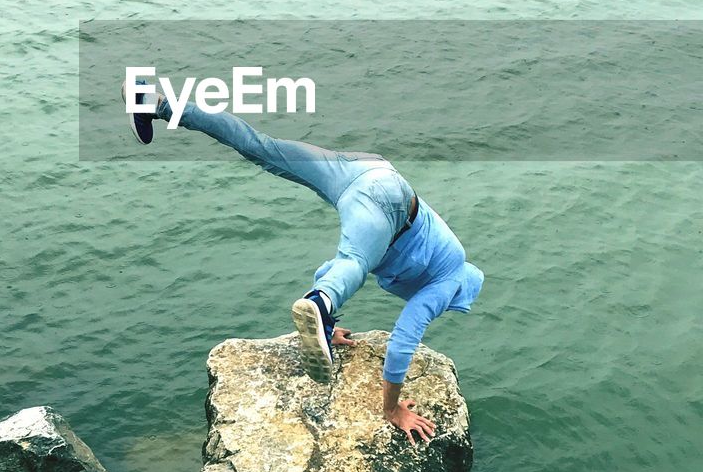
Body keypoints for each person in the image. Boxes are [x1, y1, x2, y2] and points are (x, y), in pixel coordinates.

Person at [122, 83, 484, 444]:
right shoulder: (447, 281)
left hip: (365, 170)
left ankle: (159, 103)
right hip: (387, 204)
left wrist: (324, 335)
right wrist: (392, 409)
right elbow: (403, 340)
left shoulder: (440, 250)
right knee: (354, 264)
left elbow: (328, 269)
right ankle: (322, 303)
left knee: (260, 147)